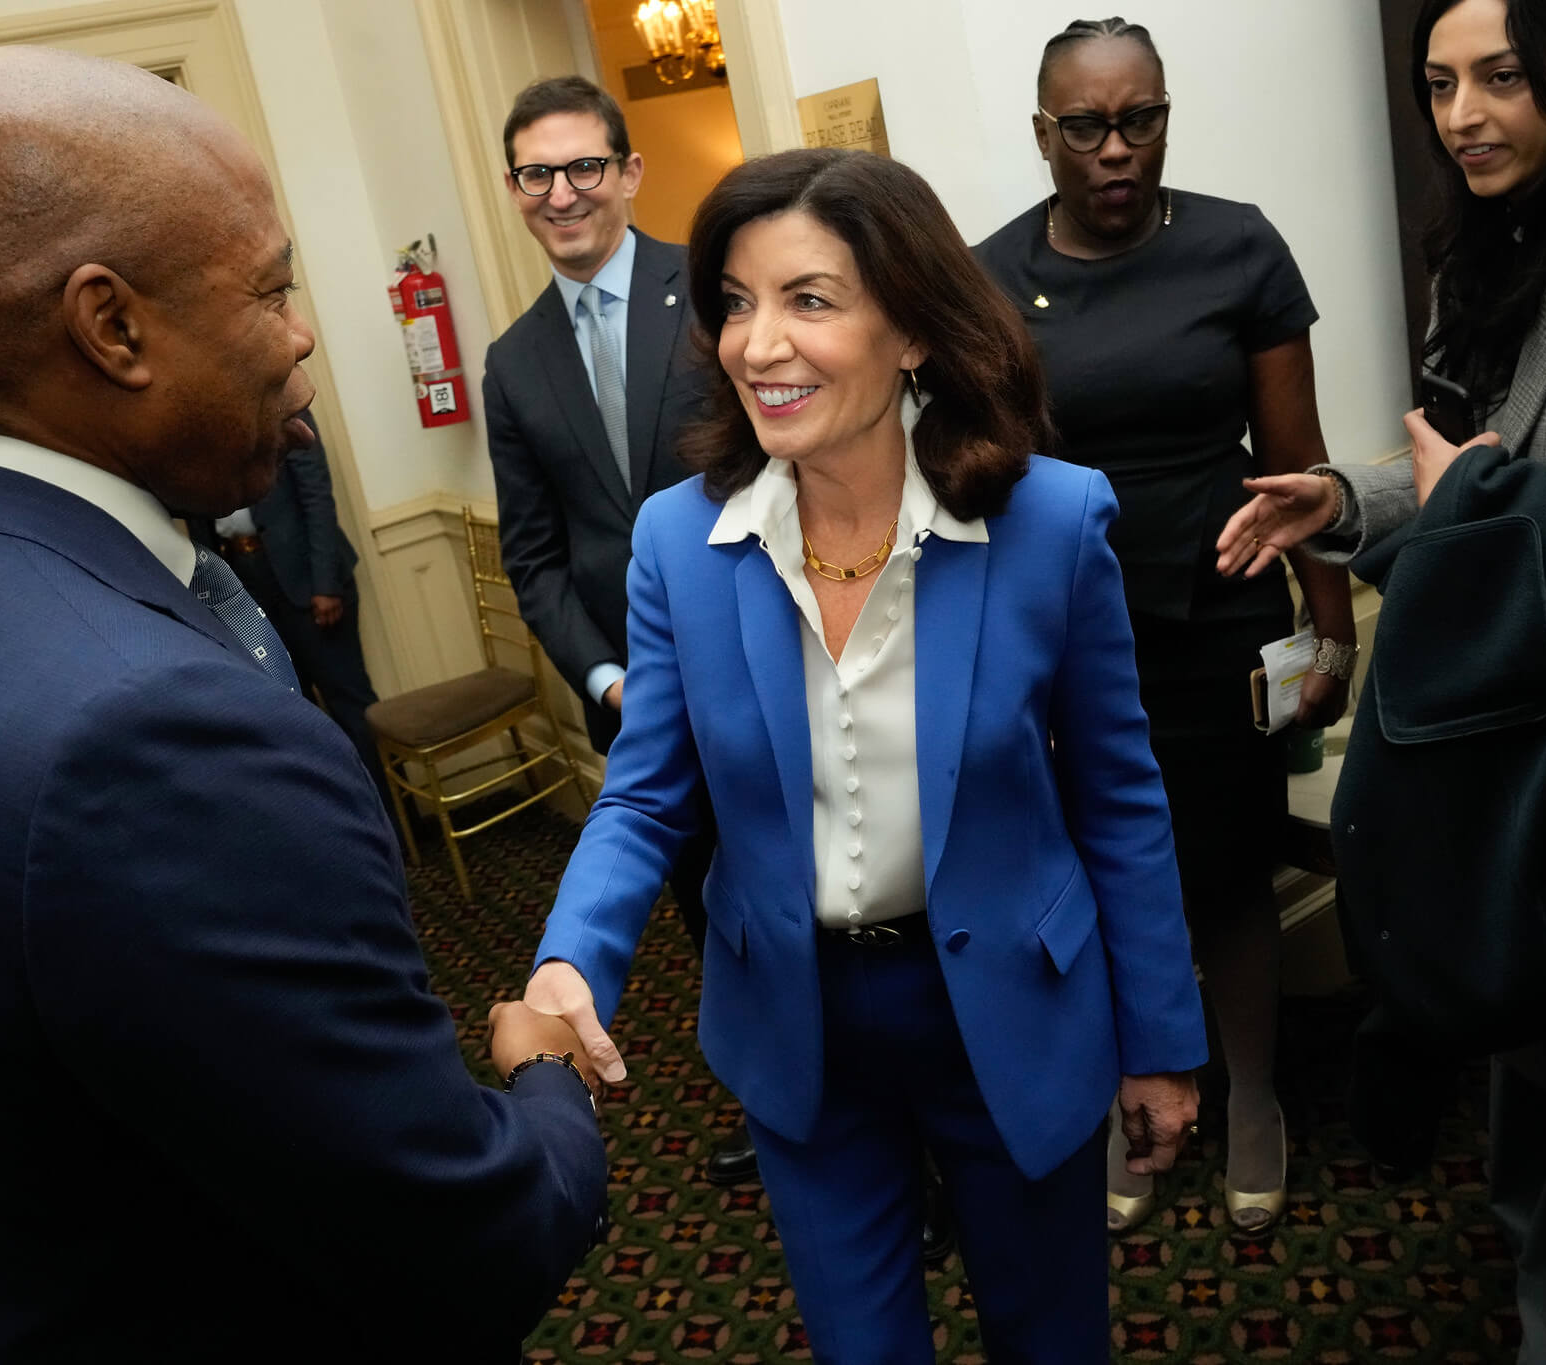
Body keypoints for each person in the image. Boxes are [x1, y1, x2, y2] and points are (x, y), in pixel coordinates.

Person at [0, 47, 607, 1364]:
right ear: (109, 325)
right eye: (272, 287)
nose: (297, 334)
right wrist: (538, 1070)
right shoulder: (150, 733)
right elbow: (476, 1239)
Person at [522, 147, 1206, 1364]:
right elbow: (645, 792)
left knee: (1049, 1337)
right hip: (799, 1020)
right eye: (735, 303)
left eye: (809, 301)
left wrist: (1158, 1039)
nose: (757, 344)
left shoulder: (1050, 522)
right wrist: (573, 955)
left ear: (914, 333)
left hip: (1009, 1003)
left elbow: (1116, 796)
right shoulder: (683, 540)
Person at [1218, 0, 1546, 1355]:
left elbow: (1495, 490)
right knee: (1529, 1068)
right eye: (1435, 83)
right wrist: (1332, 499)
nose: (1458, 117)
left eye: (1499, 78)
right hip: (1511, 748)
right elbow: (1445, 466)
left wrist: (1479, 494)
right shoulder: (1485, 258)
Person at [971, 15, 1356, 1238]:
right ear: (1043, 136)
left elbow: (1295, 464)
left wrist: (1331, 633)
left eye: (1141, 118)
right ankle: (1136, 1099)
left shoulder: (1240, 248)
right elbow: (986, 474)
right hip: (1067, 631)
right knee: (1088, 877)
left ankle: (1251, 1094)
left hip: (1222, 613)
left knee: (1227, 869)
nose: (1116, 148)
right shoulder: (987, 279)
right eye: (1085, 125)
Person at [483, 73, 760, 1192]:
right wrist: (608, 684)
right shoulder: (512, 361)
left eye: (583, 166)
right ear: (514, 191)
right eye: (536, 174)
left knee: (835, 910)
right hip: (638, 712)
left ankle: (913, 1144)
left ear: (629, 172)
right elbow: (535, 560)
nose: (562, 194)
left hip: (766, 669)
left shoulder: (720, 300)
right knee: (714, 918)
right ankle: (771, 1102)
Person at [210, 409, 388, 805]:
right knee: (294, 719)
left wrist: (325, 585)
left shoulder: (283, 405)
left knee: (350, 707)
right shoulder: (192, 423)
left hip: (307, 581)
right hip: (243, 582)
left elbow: (316, 495)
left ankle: (394, 831)